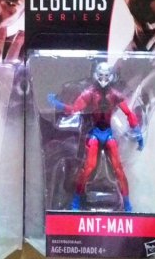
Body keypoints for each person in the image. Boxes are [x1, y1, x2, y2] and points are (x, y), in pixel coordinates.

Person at [48, 62, 144, 212]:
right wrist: (58, 104)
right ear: (96, 76)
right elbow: (74, 110)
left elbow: (129, 114)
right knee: (88, 168)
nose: (103, 79)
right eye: (101, 76)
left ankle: (127, 204)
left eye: (106, 76)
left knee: (118, 170)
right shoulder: (89, 94)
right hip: (94, 134)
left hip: (108, 134)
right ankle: (76, 201)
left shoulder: (115, 95)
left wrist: (137, 133)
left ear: (111, 77)